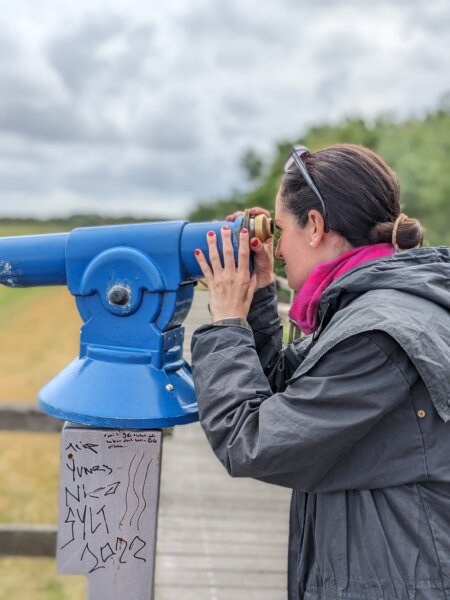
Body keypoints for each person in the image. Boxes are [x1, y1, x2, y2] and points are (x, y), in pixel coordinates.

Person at [190, 143, 450, 600]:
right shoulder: (375, 308)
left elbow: (250, 440)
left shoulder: (378, 336)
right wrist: (261, 295)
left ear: (314, 226)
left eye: (281, 228)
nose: (279, 246)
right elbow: (288, 396)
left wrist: (227, 321)